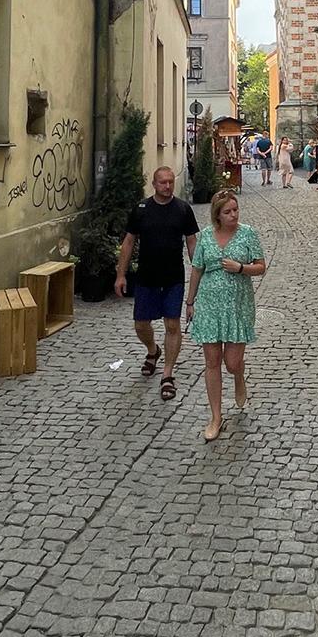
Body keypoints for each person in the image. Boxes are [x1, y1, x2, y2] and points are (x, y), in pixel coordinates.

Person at [185, 190, 267, 441]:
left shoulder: (248, 233)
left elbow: (261, 267)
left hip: (237, 307)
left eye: (235, 209)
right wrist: (190, 302)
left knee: (231, 363)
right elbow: (197, 270)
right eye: (227, 212)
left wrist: (240, 268)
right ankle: (216, 417)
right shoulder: (206, 236)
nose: (233, 215)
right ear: (217, 215)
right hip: (209, 306)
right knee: (212, 362)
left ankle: (238, 375)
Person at [115, 167, 199, 401]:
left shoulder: (183, 209)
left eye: (170, 182)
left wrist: (198, 272)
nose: (168, 186)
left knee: (172, 324)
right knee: (141, 325)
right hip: (146, 277)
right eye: (163, 182)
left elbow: (192, 242)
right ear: (154, 184)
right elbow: (128, 242)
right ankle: (153, 350)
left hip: (173, 277)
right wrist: (121, 275)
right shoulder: (141, 210)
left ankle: (167, 374)